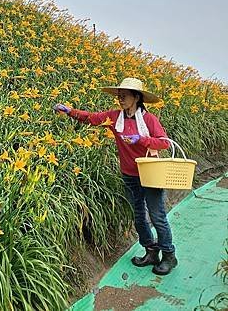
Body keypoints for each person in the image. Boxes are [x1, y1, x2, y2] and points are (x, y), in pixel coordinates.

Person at [53, 77, 178, 276]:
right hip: (129, 174)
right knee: (138, 215)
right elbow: (92, 118)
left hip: (150, 174)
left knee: (157, 216)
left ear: (136, 97)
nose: (120, 99)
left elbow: (164, 143)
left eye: (124, 96)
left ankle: (169, 256)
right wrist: (70, 111)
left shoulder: (149, 119)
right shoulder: (115, 117)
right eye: (119, 96)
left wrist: (142, 139)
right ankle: (151, 251)